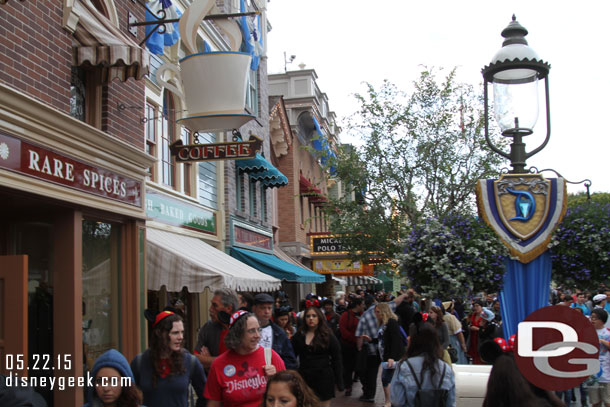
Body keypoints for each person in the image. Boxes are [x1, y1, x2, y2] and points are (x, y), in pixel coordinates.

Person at [205, 310, 286, 407]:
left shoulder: (270, 356)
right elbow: (213, 403)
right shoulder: (219, 364)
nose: (257, 335)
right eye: (251, 331)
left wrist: (275, 378)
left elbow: (287, 396)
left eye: (258, 330)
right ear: (237, 334)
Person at [131, 311, 206, 407]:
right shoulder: (139, 362)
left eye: (182, 332)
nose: (181, 337)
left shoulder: (190, 362)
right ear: (159, 333)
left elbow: (206, 397)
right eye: (175, 333)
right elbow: (127, 394)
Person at [356, 292, 408, 402]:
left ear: (384, 312)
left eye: (378, 312)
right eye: (375, 312)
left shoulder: (391, 322)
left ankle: (391, 401)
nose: (376, 314)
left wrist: (391, 357)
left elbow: (395, 341)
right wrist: (372, 340)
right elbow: (383, 339)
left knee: (387, 380)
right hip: (386, 356)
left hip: (391, 356)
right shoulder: (384, 323)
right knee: (387, 379)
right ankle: (391, 401)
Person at [390, 324, 456, 406]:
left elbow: (397, 401)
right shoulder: (446, 369)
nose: (407, 338)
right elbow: (451, 402)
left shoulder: (404, 366)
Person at [291, 305, 344, 407]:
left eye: (314, 316)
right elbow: (292, 356)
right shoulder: (299, 336)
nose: (311, 318)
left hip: (323, 378)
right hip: (305, 378)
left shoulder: (328, 335)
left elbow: (337, 358)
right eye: (308, 316)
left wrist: (339, 380)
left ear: (319, 318)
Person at [195, 288, 239, 371]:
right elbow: (196, 358)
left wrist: (210, 360)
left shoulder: (242, 328)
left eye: (215, 305)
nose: (210, 309)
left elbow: (239, 361)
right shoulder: (208, 327)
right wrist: (223, 362)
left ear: (229, 308)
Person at [252, 293, 298, 369]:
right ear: (254, 308)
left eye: (269, 308)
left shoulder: (279, 333)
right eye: (263, 308)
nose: (266, 311)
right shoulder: (245, 330)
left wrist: (276, 368)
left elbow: (290, 361)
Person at [339, 296, 364, 397]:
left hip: (360, 346)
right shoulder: (346, 315)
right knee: (348, 368)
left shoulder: (362, 315)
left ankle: (364, 386)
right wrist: (355, 339)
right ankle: (348, 387)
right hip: (348, 346)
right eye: (362, 304)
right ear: (358, 305)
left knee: (360, 367)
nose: (364, 306)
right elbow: (343, 330)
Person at [587, 308, 610, 407]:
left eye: (595, 318)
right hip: (592, 373)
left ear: (602, 320)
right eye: (591, 317)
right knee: (595, 402)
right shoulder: (587, 332)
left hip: (607, 373)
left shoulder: (608, 332)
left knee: (607, 401)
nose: (592, 320)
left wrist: (603, 341)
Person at [466, 300, 484, 364]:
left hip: (480, 338)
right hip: (473, 338)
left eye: (477, 306)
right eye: (474, 306)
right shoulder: (473, 316)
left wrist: (477, 329)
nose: (476, 308)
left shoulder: (484, 316)